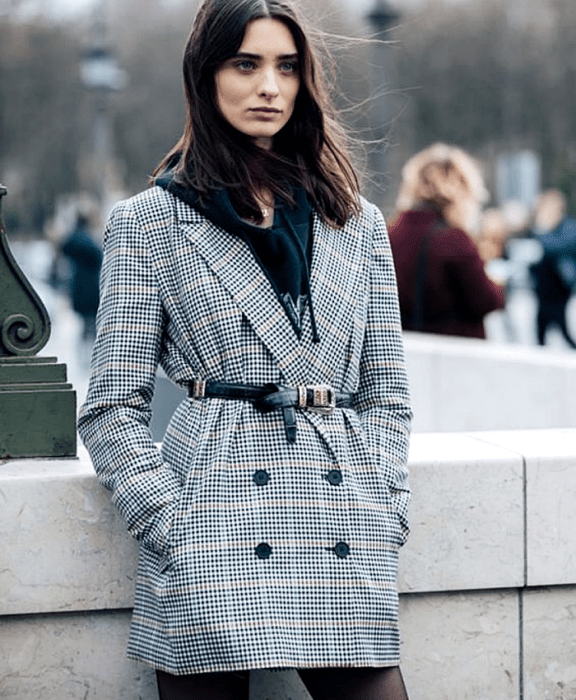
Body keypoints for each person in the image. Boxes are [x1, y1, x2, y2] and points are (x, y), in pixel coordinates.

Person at [77, 2, 413, 699]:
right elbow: (111, 406)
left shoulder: (357, 222)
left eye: (287, 67)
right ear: (206, 75)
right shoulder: (150, 224)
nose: (270, 87)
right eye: (247, 64)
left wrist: (384, 499)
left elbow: (387, 391)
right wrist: (172, 524)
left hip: (339, 511)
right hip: (213, 515)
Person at [388, 143, 505, 339]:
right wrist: (498, 285)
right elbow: (486, 301)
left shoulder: (390, 233)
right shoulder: (453, 239)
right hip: (452, 356)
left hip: (401, 352)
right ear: (461, 189)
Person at [529, 189, 576, 348]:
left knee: (565, 333)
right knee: (540, 335)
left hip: (560, 291)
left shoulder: (568, 227)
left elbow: (554, 247)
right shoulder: (543, 230)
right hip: (543, 292)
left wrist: (541, 230)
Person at [61, 212, 102, 341]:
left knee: (85, 321)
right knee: (92, 321)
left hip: (78, 285)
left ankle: (86, 341)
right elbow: (98, 257)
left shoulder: (72, 239)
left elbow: (64, 248)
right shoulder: (87, 240)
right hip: (90, 286)